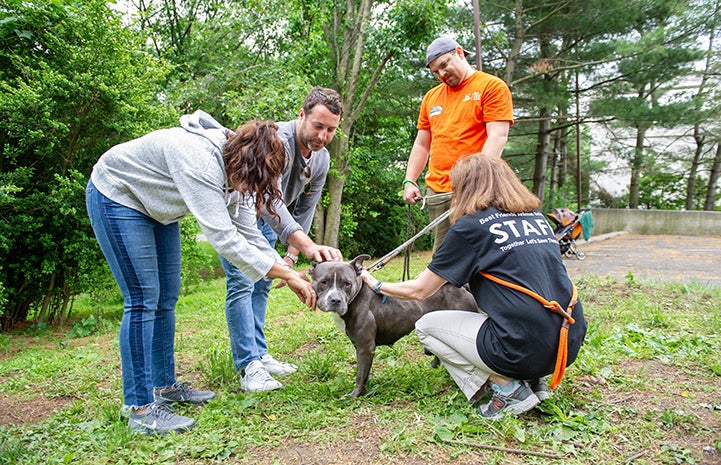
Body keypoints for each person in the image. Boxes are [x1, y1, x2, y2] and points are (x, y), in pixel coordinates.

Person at [86, 111, 341, 435]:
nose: (255, 191)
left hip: (157, 210)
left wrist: (286, 271)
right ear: (248, 165)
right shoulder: (199, 160)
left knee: (167, 297)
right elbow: (224, 238)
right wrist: (285, 275)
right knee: (143, 298)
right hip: (118, 195)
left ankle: (165, 388)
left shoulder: (242, 173)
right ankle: (139, 408)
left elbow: (248, 233)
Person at [361, 154, 587, 419]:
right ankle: (534, 379)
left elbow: (420, 291)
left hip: (523, 346)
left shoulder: (471, 227)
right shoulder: (537, 219)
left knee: (426, 326)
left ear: (465, 187)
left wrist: (375, 283)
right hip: (568, 340)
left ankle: (507, 389)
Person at [222, 87, 343, 392]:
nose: (323, 136)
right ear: (302, 115)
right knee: (241, 282)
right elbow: (268, 202)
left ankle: (260, 354)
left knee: (262, 284)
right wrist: (306, 246)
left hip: (275, 225)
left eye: (331, 130)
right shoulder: (278, 142)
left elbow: (305, 207)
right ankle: (247, 364)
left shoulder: (322, 158)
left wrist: (290, 256)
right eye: (318, 126)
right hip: (243, 214)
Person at [402, 37, 514, 254]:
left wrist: (477, 182)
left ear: (460, 53)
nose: (442, 74)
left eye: (444, 65)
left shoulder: (491, 87)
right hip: (438, 191)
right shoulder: (431, 98)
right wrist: (409, 180)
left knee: (481, 254)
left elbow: (497, 136)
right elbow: (422, 144)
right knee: (445, 257)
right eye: (436, 72)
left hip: (478, 190)